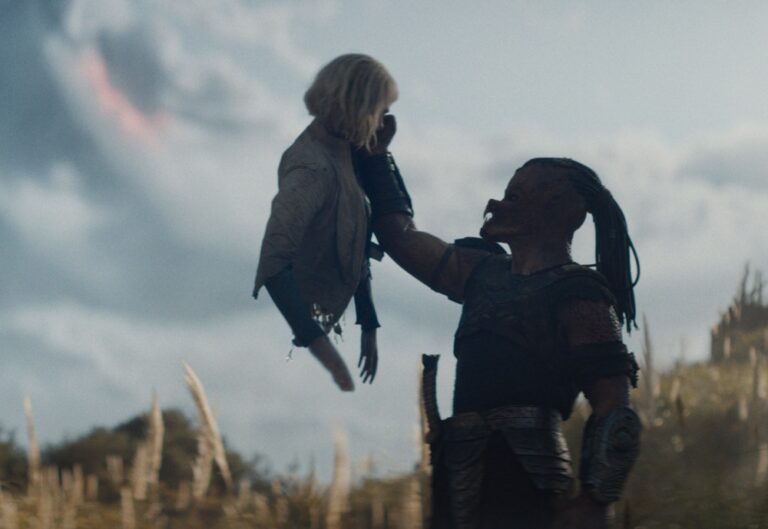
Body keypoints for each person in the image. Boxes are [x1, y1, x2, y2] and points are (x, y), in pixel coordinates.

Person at [358, 116, 641, 529]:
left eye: (515, 197)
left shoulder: (581, 293)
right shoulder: (479, 272)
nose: (496, 204)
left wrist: (595, 500)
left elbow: (614, 406)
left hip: (529, 480)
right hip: (458, 478)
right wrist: (377, 158)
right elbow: (399, 236)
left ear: (557, 209)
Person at [253, 54, 399, 391]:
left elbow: (355, 234)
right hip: (297, 353)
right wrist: (327, 356)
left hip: (330, 329)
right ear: (359, 106)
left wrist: (368, 323)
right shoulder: (312, 167)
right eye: (381, 111)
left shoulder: (345, 151)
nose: (385, 122)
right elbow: (273, 262)